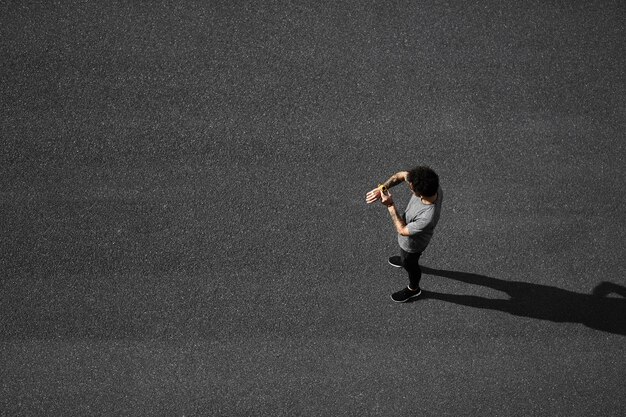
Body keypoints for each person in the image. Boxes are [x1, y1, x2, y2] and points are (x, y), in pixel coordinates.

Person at [366, 166, 443, 302]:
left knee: (410, 263)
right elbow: (400, 176)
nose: (410, 186)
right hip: (410, 235)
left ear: (419, 194)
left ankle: (414, 289)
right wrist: (382, 188)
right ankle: (403, 260)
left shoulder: (426, 217)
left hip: (413, 244)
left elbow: (402, 230)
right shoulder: (430, 185)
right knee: (405, 258)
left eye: (411, 188)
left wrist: (390, 205)